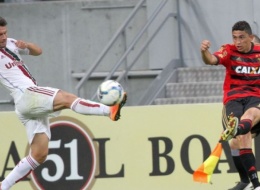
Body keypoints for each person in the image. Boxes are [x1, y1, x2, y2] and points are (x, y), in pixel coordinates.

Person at [0, 16, 127, 190]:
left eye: (5, 33)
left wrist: (27, 45)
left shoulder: (11, 43)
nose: (4, 37)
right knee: (67, 99)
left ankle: (3, 186)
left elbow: (39, 51)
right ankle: (109, 110)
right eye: (0, 34)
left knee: (39, 155)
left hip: (27, 105)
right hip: (27, 95)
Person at [201, 21, 260, 190]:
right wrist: (204, 51)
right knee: (235, 143)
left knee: (248, 120)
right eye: (235, 38)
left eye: (241, 38)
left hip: (256, 99)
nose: (238, 42)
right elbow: (211, 59)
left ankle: (256, 185)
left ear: (251, 38)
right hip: (233, 99)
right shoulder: (229, 50)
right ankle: (245, 180)